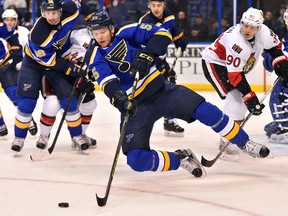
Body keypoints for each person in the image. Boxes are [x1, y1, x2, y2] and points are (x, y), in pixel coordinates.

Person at [87, 10, 270, 178]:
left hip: (163, 91)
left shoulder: (126, 31)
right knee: (136, 160)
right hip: (136, 107)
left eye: (102, 31)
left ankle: (244, 142)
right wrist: (119, 100)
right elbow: (107, 82)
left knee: (206, 111)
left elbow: (162, 34)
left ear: (111, 28)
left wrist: (148, 54)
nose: (99, 36)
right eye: (95, 33)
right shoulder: (95, 56)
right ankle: (180, 158)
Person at [201, 7, 288, 160]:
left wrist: (281, 64)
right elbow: (235, 76)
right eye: (245, 25)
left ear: (259, 27)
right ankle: (226, 142)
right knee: (236, 102)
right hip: (214, 63)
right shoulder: (236, 41)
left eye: (252, 27)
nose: (247, 30)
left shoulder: (265, 32)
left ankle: (232, 139)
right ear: (241, 23)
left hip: (232, 69)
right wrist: (250, 98)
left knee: (239, 102)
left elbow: (275, 48)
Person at [11, 0, 94, 153]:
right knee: (27, 103)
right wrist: (72, 69)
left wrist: (90, 17)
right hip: (34, 63)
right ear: (43, 13)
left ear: (60, 11)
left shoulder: (70, 9)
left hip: (58, 57)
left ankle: (77, 136)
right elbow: (50, 62)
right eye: (47, 13)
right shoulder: (39, 34)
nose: (51, 17)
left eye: (54, 12)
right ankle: (19, 138)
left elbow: (81, 4)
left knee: (69, 100)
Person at [36, 27, 97, 150]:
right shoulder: (76, 34)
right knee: (52, 104)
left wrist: (91, 75)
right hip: (57, 74)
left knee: (90, 104)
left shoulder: (105, 41)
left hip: (77, 77)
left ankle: (78, 135)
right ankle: (44, 136)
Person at [139, 0, 188, 137]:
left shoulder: (168, 15)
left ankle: (169, 120)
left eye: (159, 5)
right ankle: (140, 121)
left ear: (164, 6)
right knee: (150, 90)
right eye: (153, 5)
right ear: (149, 6)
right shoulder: (146, 22)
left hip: (160, 58)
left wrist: (180, 41)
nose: (156, 8)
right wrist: (160, 66)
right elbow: (146, 49)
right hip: (147, 60)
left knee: (169, 81)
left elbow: (172, 30)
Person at [0, 8, 38, 137]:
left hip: (5, 66)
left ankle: (27, 118)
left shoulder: (2, 27)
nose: (9, 22)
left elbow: (13, 37)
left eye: (12, 19)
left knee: (13, 93)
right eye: (7, 19)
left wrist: (16, 55)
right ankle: (0, 124)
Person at [262, 9, 288, 143]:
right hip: (285, 79)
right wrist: (272, 58)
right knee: (278, 97)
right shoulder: (282, 38)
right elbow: (271, 56)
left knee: (277, 98)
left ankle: (285, 128)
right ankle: (283, 124)